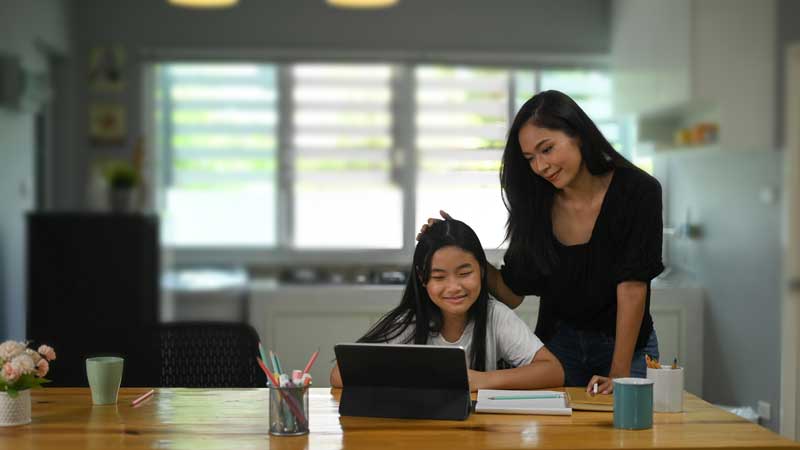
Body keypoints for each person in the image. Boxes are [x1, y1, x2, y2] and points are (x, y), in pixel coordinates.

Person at [420, 90, 663, 394]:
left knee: (625, 435)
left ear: (578, 134)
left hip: (626, 349)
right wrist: (465, 252)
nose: (539, 166)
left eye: (546, 149)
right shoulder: (537, 203)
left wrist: (619, 374)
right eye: (530, 159)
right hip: (560, 348)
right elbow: (512, 294)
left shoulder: (639, 191)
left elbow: (632, 288)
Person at [330, 219, 564, 392]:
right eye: (440, 277)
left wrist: (482, 380)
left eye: (464, 273)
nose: (454, 287)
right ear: (423, 279)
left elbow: (553, 370)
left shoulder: (495, 316)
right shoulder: (410, 321)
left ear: (482, 270)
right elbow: (340, 375)